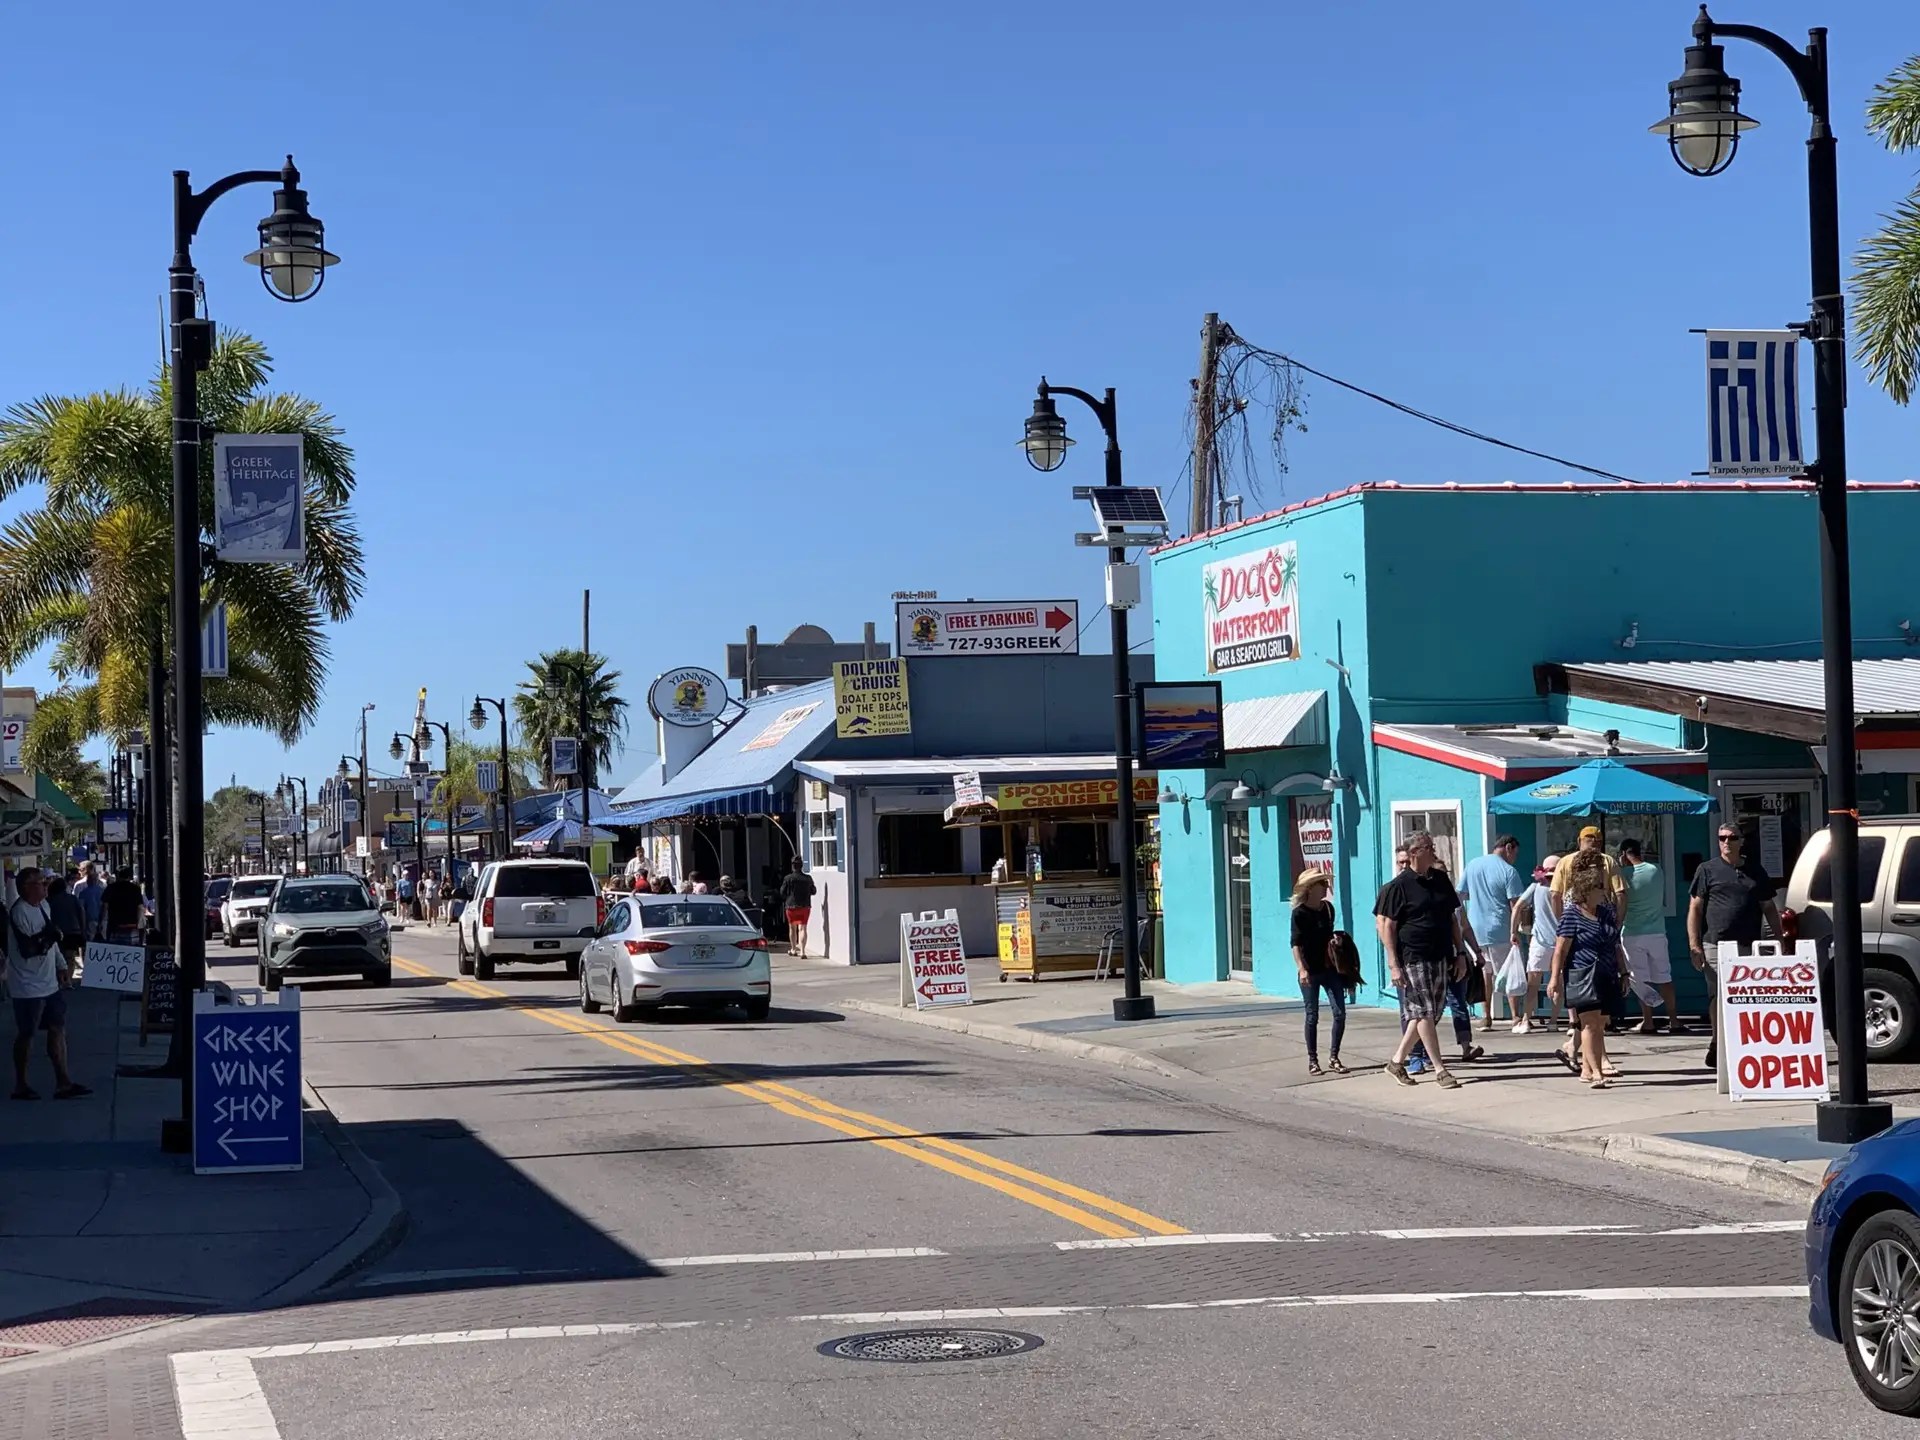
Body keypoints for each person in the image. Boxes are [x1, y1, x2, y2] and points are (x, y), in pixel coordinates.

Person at [1689, 823, 1783, 1072]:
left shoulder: (1755, 870)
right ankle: (1717, 1042)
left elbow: (1769, 907)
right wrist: (1694, 944)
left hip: (1749, 944)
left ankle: (1744, 1045)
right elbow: (1695, 909)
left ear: (1741, 841)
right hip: (1715, 943)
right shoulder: (1707, 870)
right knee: (1718, 994)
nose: (1726, 842)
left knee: (1747, 996)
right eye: (1722, 838)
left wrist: (1779, 939)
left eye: (1731, 838)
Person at [1381, 831, 1469, 1090]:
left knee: (1428, 1012)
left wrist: (1460, 953)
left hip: (1441, 954)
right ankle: (1441, 1070)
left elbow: (1453, 920)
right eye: (1428, 847)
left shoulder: (1441, 880)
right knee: (1425, 1012)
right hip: (1413, 957)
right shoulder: (1399, 886)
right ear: (1414, 853)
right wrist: (1393, 964)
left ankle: (1396, 1061)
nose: (1433, 850)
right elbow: (1388, 926)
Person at [1549, 850, 1632, 1088]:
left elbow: (1616, 944)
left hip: (1607, 973)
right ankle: (1596, 1072)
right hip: (1582, 974)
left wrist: (1624, 972)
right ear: (1585, 890)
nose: (1603, 890)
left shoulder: (1607, 913)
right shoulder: (1571, 915)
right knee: (1589, 1023)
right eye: (1597, 886)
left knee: (1600, 1023)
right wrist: (1555, 979)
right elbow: (1560, 951)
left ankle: (1586, 1069)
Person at [8, 868, 89, 1101]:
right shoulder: (19, 912)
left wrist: (61, 964)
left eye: (45, 882)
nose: (45, 885)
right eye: (40, 882)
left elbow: (51, 944)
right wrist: (52, 937)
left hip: (49, 982)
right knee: (27, 1033)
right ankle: (21, 1084)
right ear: (27, 887)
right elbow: (32, 947)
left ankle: (63, 1081)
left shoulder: (44, 907)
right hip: (27, 984)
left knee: (57, 1028)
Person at [1460, 834, 1528, 1031]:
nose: (1515, 857)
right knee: (1509, 971)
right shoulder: (1508, 871)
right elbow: (1515, 905)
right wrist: (1517, 929)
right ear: (1508, 847)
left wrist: (1463, 921)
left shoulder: (1473, 865)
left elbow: (1460, 895)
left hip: (1475, 930)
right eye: (1515, 852)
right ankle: (1515, 1016)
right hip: (1500, 929)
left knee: (1485, 973)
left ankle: (1486, 1016)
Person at [1619, 839, 1680, 1035]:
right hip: (1656, 932)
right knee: (1664, 976)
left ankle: (1648, 1021)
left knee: (1641, 979)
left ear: (1623, 855)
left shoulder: (1622, 875)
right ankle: (1674, 1020)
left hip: (1632, 933)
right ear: (1640, 852)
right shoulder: (1656, 870)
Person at [1291, 869, 1348, 1075]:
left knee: (1340, 1013)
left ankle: (1334, 1056)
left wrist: (1336, 942)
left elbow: (1328, 936)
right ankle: (1313, 1060)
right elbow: (1295, 944)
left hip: (1329, 968)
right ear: (1310, 888)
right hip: (1310, 970)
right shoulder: (1299, 913)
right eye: (1321, 883)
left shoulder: (1328, 909)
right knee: (1312, 1015)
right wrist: (1302, 969)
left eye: (1325, 882)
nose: (1325, 886)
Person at [1518, 855, 1560, 1033]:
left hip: (1540, 942)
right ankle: (1554, 1021)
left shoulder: (1536, 887)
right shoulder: (1563, 888)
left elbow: (1518, 906)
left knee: (1533, 983)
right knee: (1559, 982)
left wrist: (1514, 931)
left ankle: (1526, 1020)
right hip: (1560, 941)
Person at [45, 875, 87, 970]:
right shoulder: (72, 898)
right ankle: (69, 979)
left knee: (58, 957)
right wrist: (82, 930)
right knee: (70, 958)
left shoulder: (49, 901)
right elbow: (81, 913)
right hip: (73, 932)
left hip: (57, 933)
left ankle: (61, 979)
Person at [780, 858, 817, 958]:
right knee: (803, 928)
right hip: (805, 906)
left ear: (792, 866)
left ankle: (793, 949)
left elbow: (782, 892)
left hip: (791, 906)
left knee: (792, 928)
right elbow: (813, 891)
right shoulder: (808, 878)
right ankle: (803, 951)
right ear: (802, 866)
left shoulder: (788, 878)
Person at [102, 866, 144, 943]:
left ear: (117, 876)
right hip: (132, 925)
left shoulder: (111, 888)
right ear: (129, 876)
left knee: (114, 949)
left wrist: (102, 922)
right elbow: (140, 907)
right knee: (132, 949)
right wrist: (139, 923)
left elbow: (105, 906)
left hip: (114, 924)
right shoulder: (136, 889)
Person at [73, 863, 105, 940]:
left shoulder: (83, 892)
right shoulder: (102, 890)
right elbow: (105, 906)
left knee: (89, 944)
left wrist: (82, 927)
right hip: (102, 920)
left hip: (89, 921)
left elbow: (81, 908)